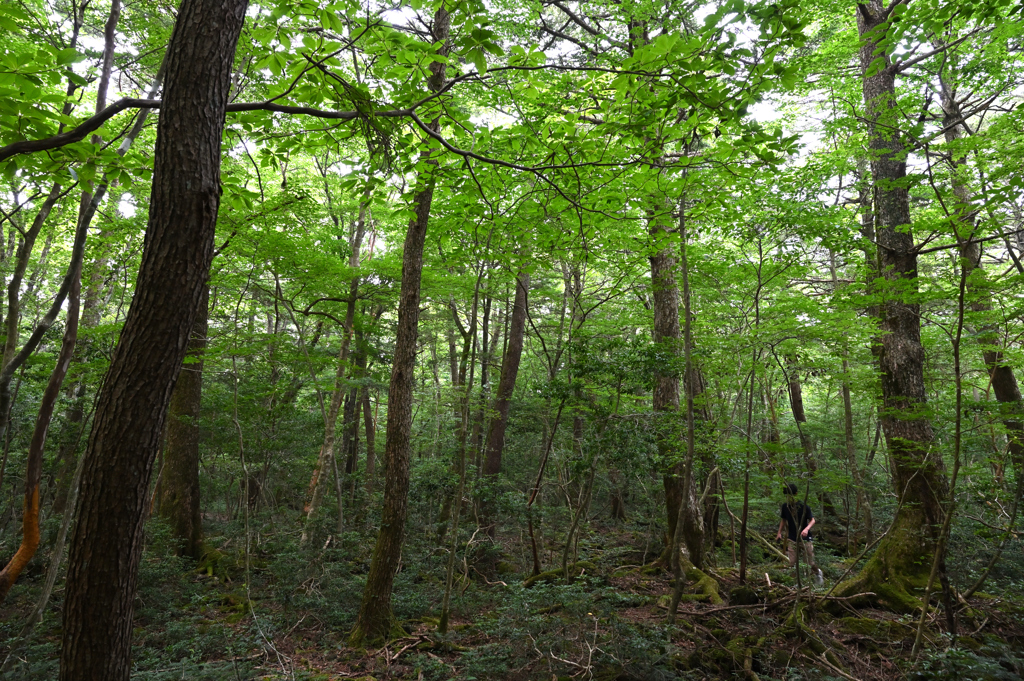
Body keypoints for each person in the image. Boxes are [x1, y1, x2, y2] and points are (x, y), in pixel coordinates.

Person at [776, 483, 824, 586]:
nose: (789, 498)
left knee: (810, 563)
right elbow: (783, 520)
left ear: (796, 494)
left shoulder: (803, 506)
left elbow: (812, 520)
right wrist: (779, 533)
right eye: (787, 496)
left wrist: (806, 529)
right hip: (792, 538)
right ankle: (796, 584)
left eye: (791, 495)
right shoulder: (785, 507)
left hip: (805, 538)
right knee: (792, 563)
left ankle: (817, 573)